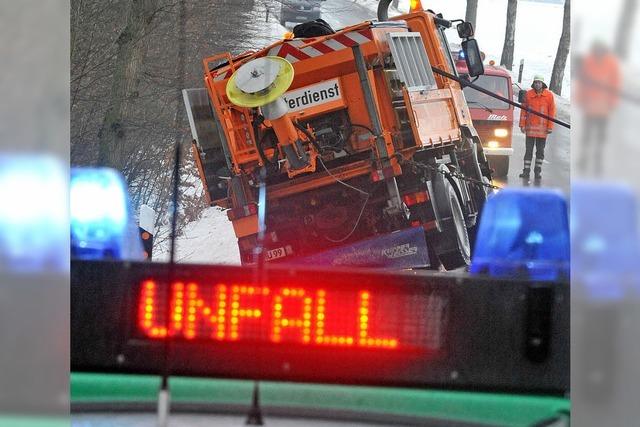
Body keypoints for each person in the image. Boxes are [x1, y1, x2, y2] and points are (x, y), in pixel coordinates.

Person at [575, 41, 620, 176]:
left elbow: (615, 84)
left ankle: (598, 161)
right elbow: (582, 83)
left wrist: (612, 103)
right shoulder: (589, 62)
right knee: (586, 136)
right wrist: (581, 100)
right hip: (589, 108)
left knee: (600, 137)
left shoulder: (611, 64)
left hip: (604, 110)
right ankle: (584, 159)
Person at [518, 75, 556, 181]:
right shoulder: (528, 94)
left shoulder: (549, 96)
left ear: (543, 84)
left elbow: (552, 112)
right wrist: (522, 124)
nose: (537, 84)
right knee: (528, 151)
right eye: (536, 82)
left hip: (543, 131)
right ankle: (526, 171)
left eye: (539, 82)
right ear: (533, 83)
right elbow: (523, 110)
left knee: (540, 151)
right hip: (530, 130)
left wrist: (550, 126)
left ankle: (537, 171)